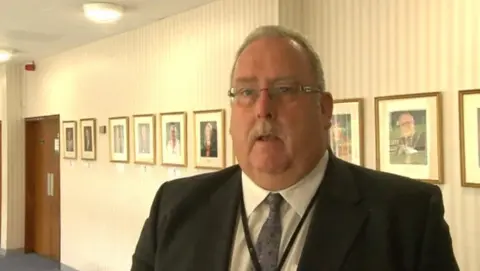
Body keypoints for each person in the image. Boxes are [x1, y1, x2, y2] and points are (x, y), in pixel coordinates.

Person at [131, 25, 458, 271]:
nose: (262, 108)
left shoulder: (408, 217)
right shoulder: (173, 206)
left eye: (284, 89)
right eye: (246, 92)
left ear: (325, 110)